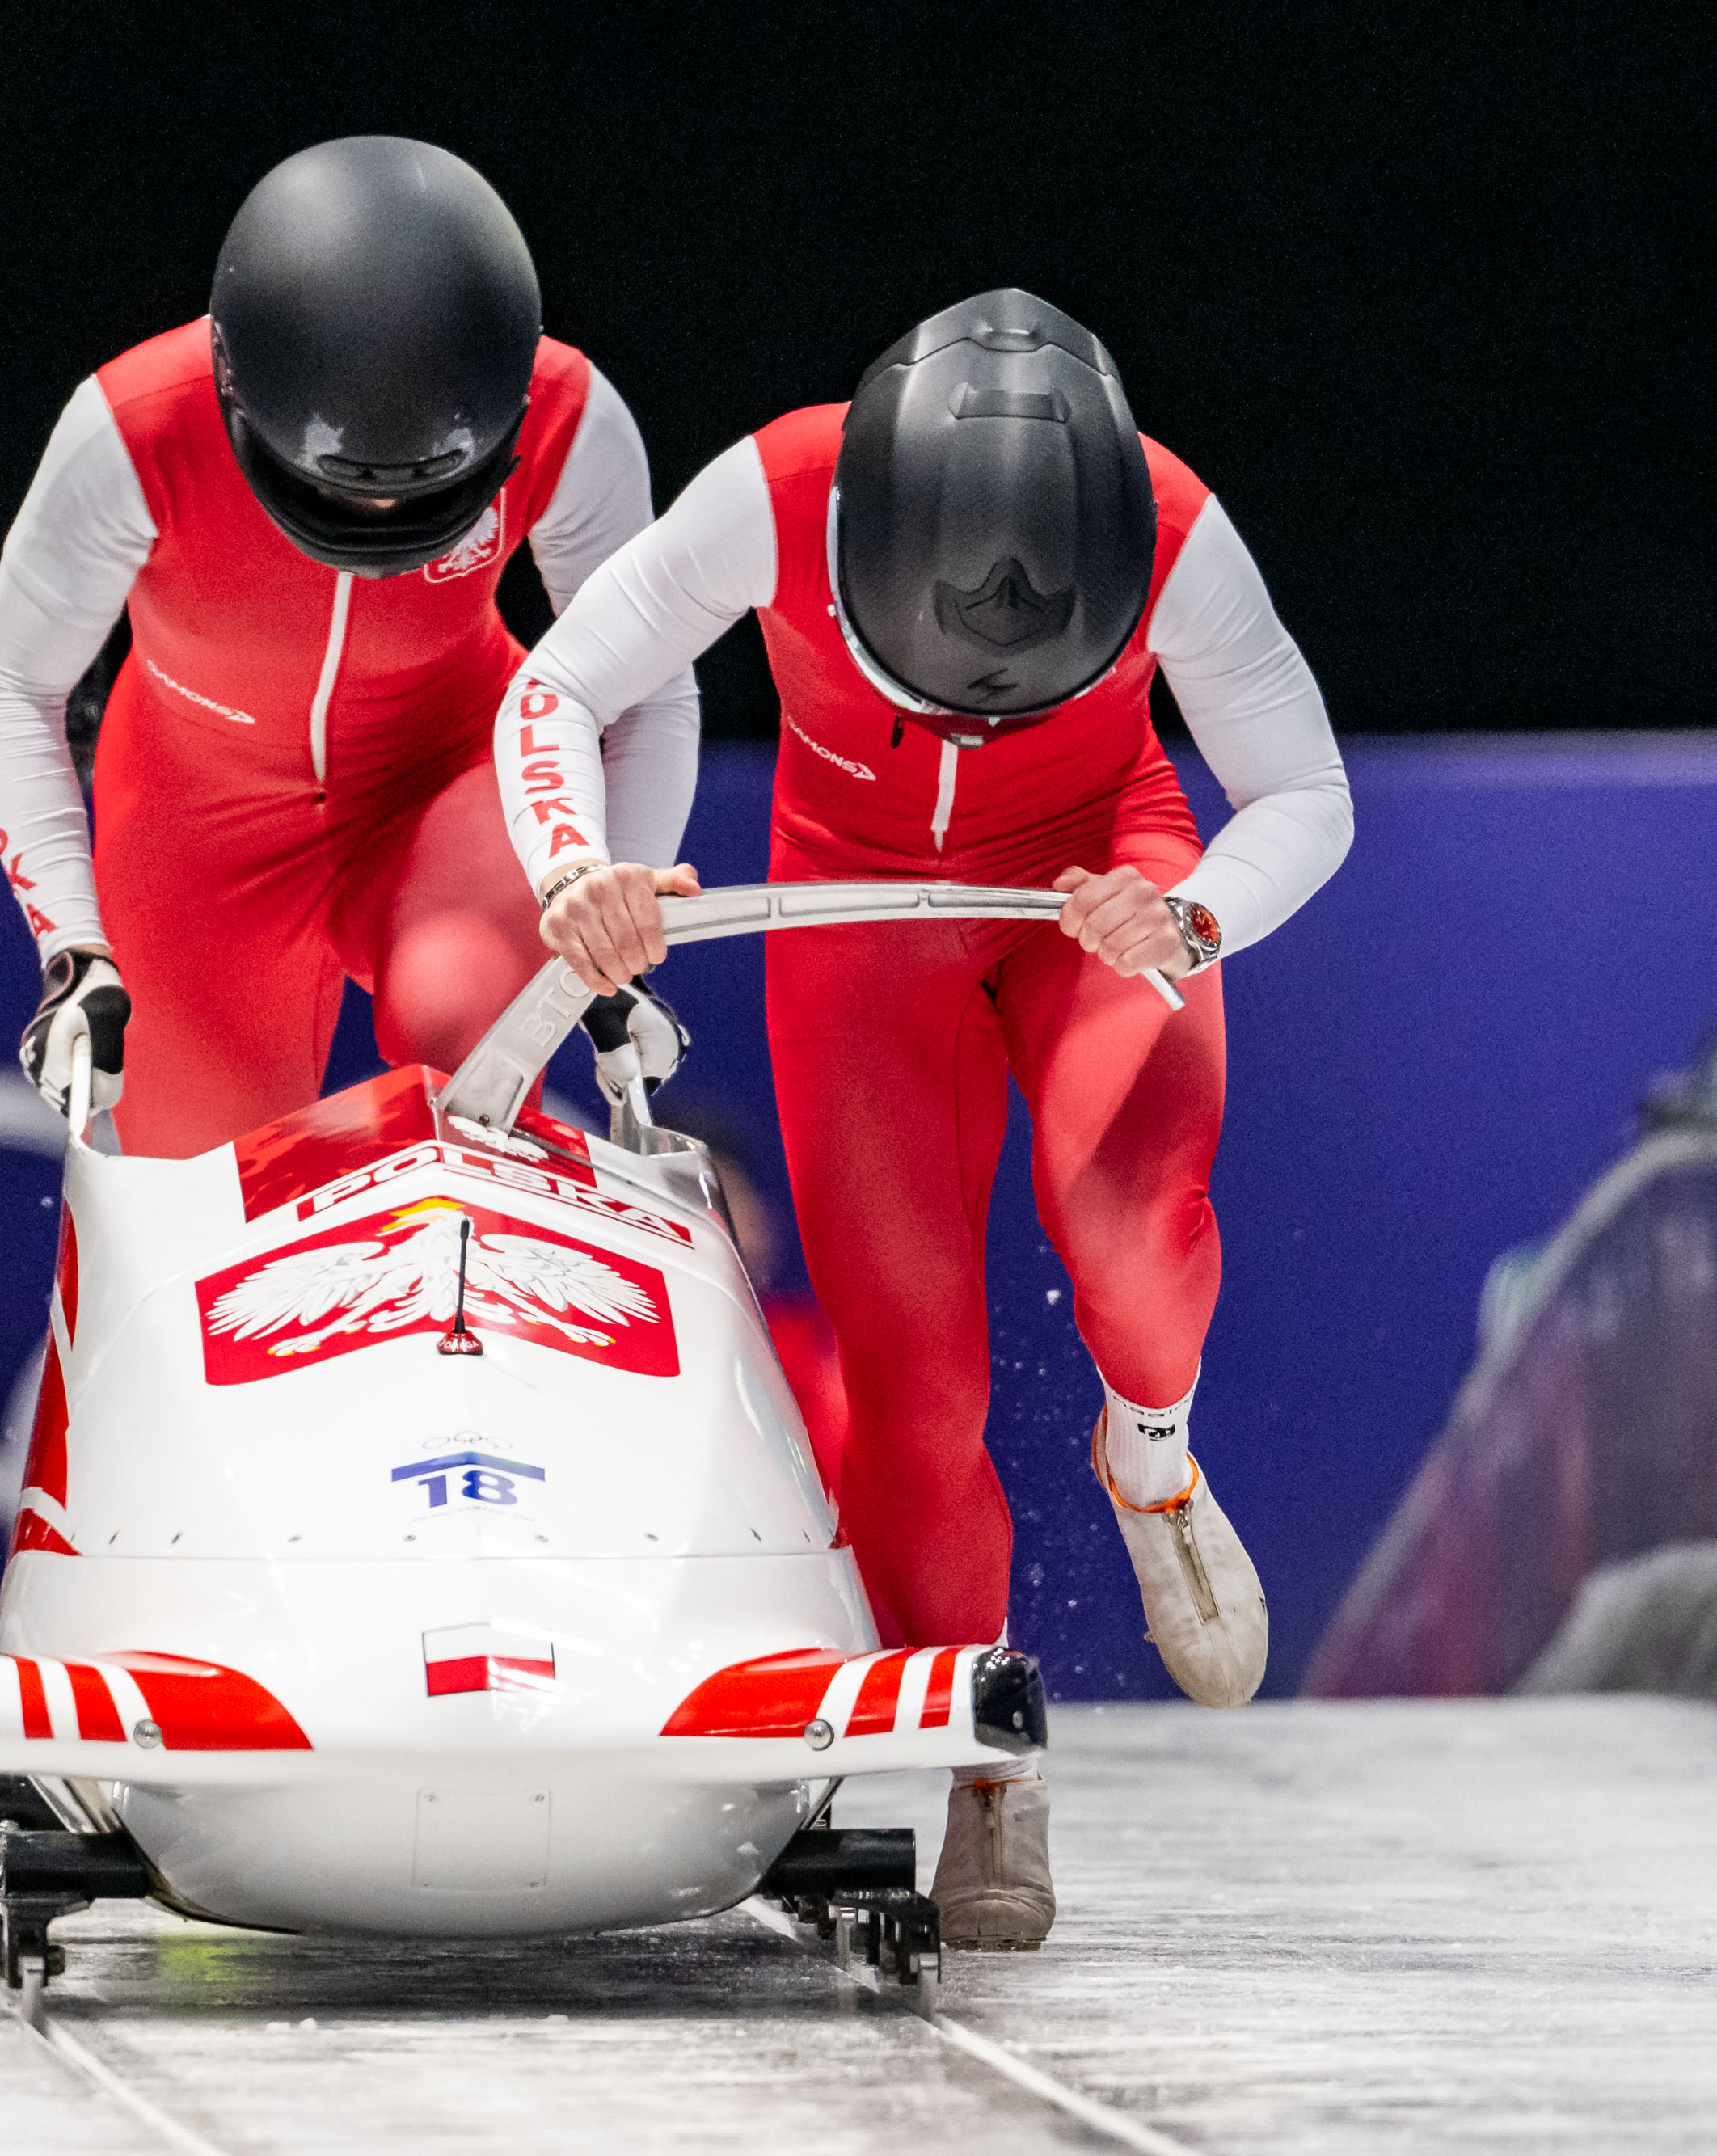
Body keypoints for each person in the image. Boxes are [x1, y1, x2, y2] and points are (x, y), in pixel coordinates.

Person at [492, 289, 1353, 1947]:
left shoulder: (1175, 524)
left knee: (1126, 1231)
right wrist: (572, 872)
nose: (970, 706)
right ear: (860, 553)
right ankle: (982, 1765)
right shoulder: (774, 488)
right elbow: (553, 691)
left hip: (1099, 879)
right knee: (910, 1381)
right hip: (858, 916)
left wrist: (1187, 921)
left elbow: (1302, 795)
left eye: (1015, 681)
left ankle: (1151, 1456)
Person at [0, 137, 699, 1155]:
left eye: (422, 494)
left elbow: (649, 684)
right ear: (235, 390)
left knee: (465, 1032)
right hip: (191, 819)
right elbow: (13, 686)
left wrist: (614, 933)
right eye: (341, 492)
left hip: (446, 778)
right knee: (204, 1184)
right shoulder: (130, 430)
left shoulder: (577, 418)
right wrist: (73, 949)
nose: (383, 516)